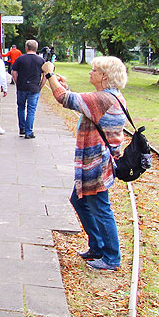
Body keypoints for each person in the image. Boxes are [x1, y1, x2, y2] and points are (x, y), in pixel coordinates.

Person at [42, 56, 128, 271]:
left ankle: (111, 257)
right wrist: (65, 87)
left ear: (105, 77)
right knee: (79, 201)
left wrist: (50, 74)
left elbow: (65, 99)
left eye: (94, 70)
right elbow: (79, 102)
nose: (90, 73)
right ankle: (98, 247)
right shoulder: (108, 97)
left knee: (100, 208)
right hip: (96, 161)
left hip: (97, 163)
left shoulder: (104, 99)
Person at [11, 39, 45, 138]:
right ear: (36, 48)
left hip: (22, 87)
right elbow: (45, 75)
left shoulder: (20, 59)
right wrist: (40, 86)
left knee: (21, 107)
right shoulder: (40, 60)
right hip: (34, 88)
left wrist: (17, 82)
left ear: (26, 48)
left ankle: (22, 128)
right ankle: (29, 132)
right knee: (31, 110)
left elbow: (14, 72)